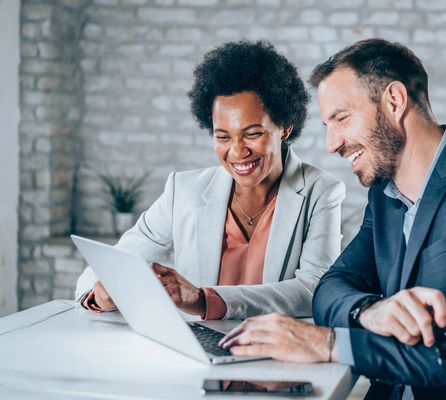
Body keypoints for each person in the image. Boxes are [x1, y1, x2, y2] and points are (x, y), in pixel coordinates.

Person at [219, 39, 446, 399]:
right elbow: (330, 288)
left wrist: (328, 344)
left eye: (341, 118)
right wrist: (367, 312)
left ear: (393, 101)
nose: (331, 143)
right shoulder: (385, 195)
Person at [75, 40, 345, 320]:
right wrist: (100, 294)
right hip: (199, 348)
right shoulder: (184, 191)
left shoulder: (321, 192)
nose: (238, 151)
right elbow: (104, 268)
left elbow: (314, 289)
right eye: (223, 136)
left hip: (273, 353)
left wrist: (205, 300)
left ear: (285, 128)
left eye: (253, 134)